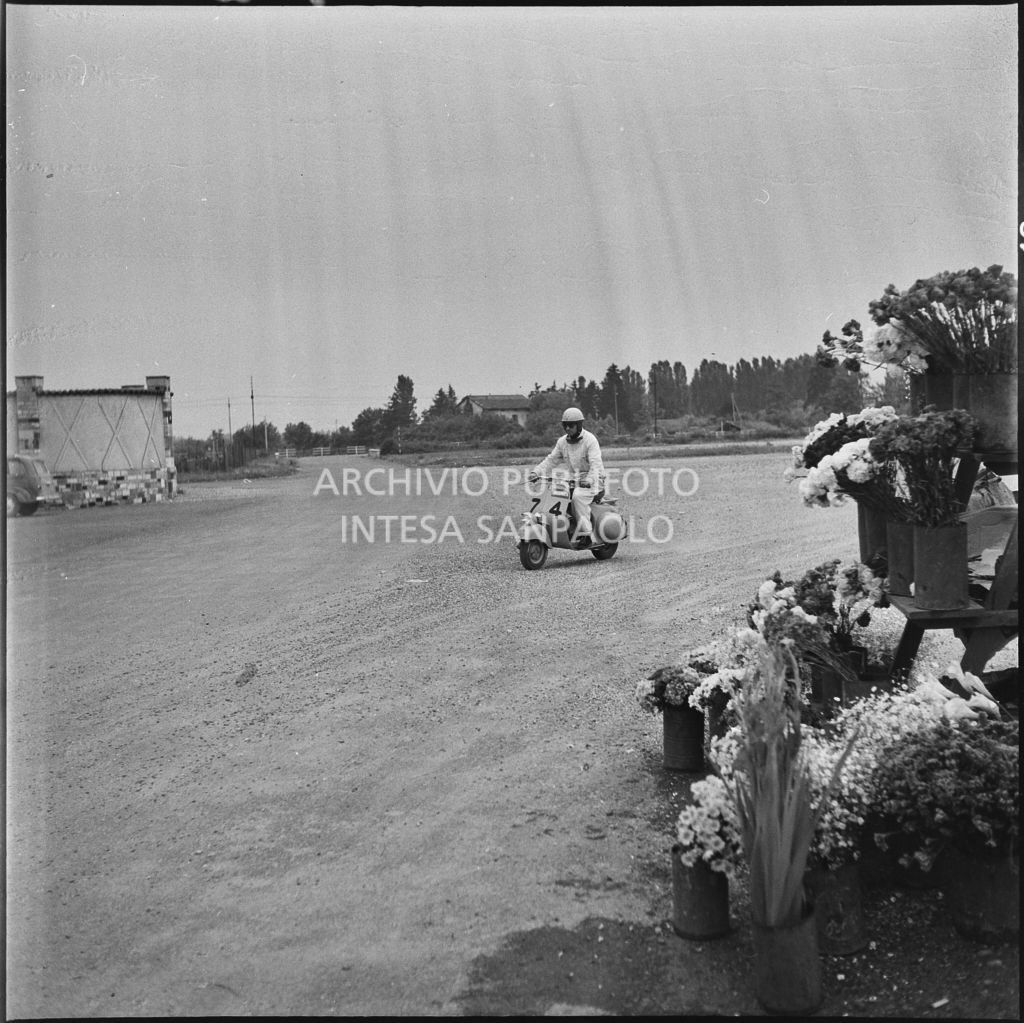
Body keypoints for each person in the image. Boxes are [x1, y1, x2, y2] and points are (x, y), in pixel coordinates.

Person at [528, 407, 606, 546]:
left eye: (571, 425)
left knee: (577, 497)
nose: (568, 428)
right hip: (574, 481)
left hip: (594, 481)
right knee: (555, 493)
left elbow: (595, 465)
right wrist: (537, 472)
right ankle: (561, 528)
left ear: (579, 425)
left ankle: (587, 535)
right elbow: (551, 460)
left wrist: (588, 480)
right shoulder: (562, 442)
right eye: (565, 425)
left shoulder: (590, 440)